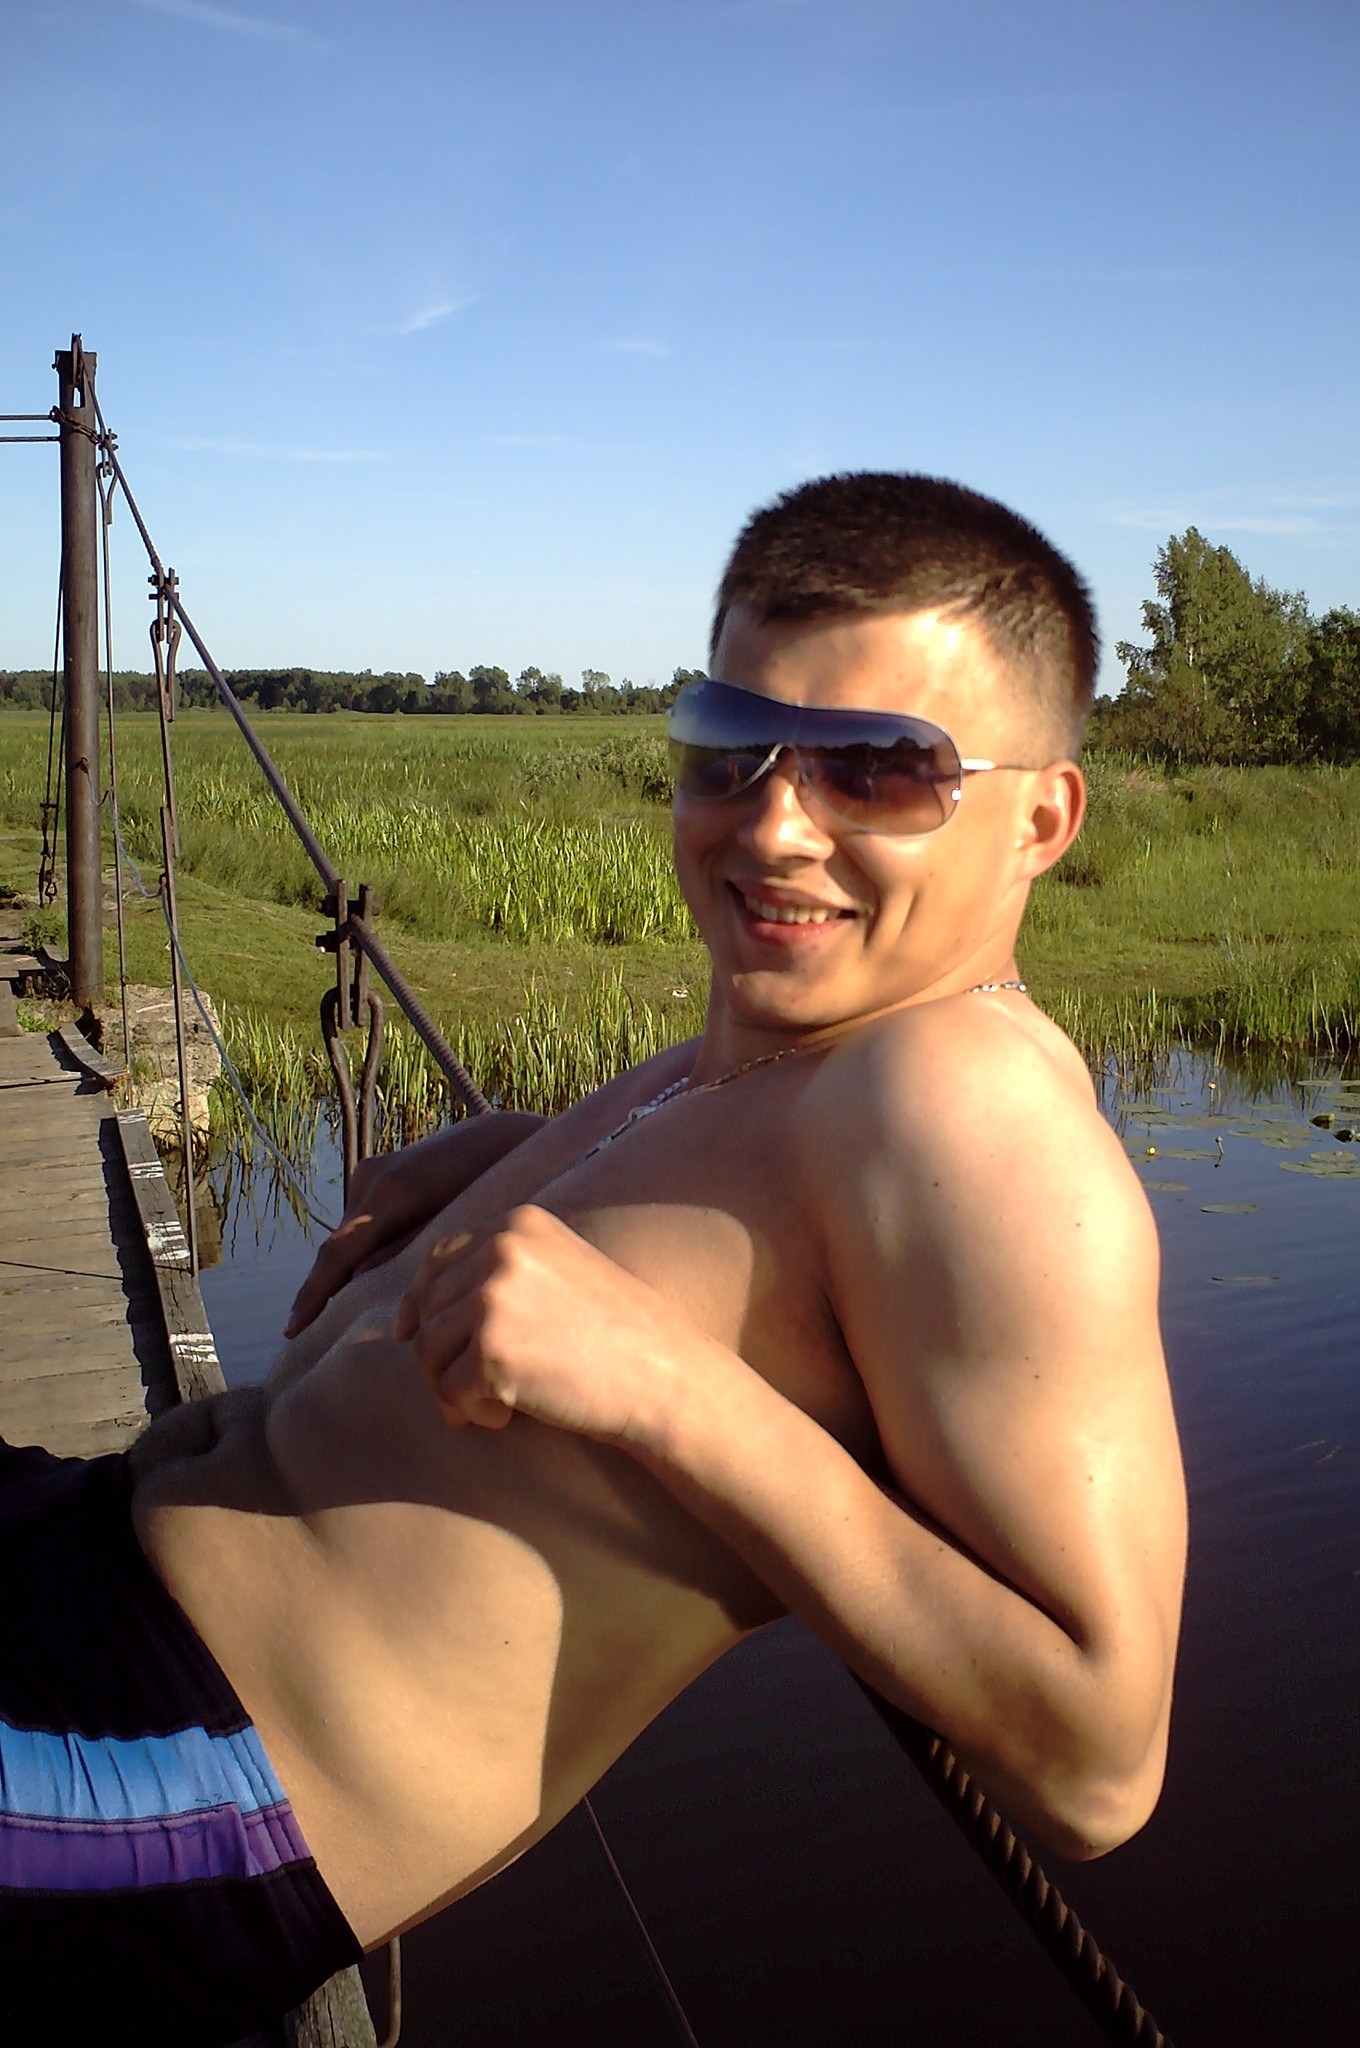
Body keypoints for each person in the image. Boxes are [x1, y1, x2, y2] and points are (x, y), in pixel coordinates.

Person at [1, 473, 1186, 2044]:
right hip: (87, 1564)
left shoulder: (976, 1115)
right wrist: (525, 1155)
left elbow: (1100, 1761)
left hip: (153, 1779)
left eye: (879, 768)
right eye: (730, 746)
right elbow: (742, 1210)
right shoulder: (794, 1040)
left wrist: (666, 1388)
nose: (775, 823)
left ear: (1041, 816)